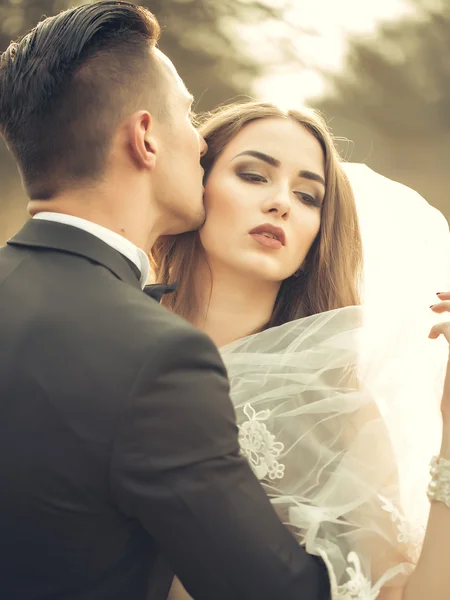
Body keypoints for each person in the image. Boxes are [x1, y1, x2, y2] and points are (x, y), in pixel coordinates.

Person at [0, 4, 332, 600]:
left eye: (308, 195)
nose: (200, 138)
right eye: (186, 114)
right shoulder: (157, 357)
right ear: (145, 137)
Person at [151, 101, 450, 599]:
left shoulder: (334, 406)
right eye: (253, 175)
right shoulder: (113, 335)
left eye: (309, 196)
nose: (281, 203)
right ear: (194, 186)